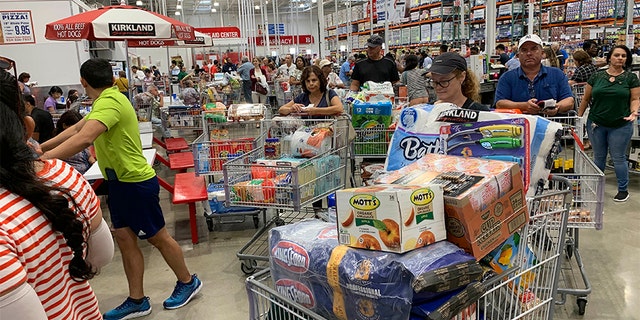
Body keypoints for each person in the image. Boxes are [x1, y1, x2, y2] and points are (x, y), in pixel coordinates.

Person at [40, 58, 202, 319]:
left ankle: (188, 281)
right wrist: (43, 147)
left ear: (83, 81)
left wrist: (43, 161)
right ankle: (137, 300)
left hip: (135, 182)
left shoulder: (111, 102)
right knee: (125, 239)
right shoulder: (106, 100)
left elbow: (84, 137)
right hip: (118, 184)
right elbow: (77, 128)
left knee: (157, 237)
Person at [0, 67, 113, 320]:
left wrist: (41, 151)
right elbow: (102, 256)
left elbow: (81, 136)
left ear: (85, 81)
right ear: (27, 127)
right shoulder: (65, 176)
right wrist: (43, 158)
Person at [577, 45, 640, 202]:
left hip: (621, 124)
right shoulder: (597, 76)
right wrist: (578, 117)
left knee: (618, 157)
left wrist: (634, 112)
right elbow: (585, 98)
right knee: (598, 157)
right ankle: (597, 187)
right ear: (609, 57)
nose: (620, 58)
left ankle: (623, 189)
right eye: (617, 55)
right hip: (596, 123)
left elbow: (634, 99)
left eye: (623, 56)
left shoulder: (631, 78)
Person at [494, 34, 574, 115]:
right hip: (518, 126)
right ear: (518, 55)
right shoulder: (507, 77)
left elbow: (569, 101)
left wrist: (556, 107)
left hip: (553, 125)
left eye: (534, 49)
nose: (529, 53)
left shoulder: (557, 74)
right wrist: (524, 106)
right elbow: (500, 103)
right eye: (524, 50)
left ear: (542, 53)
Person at [424, 52, 490, 111]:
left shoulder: (480, 113)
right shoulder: (427, 111)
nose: (438, 87)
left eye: (444, 81)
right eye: (434, 82)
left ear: (462, 77)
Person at [278, 65, 344, 117]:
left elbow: (339, 108)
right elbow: (281, 110)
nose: (311, 84)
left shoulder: (329, 94)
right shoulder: (302, 97)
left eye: (314, 80)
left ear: (320, 81)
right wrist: (291, 109)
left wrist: (316, 111)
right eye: (308, 81)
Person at [54, 109, 96, 174]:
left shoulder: (80, 139)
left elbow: (88, 156)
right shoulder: (59, 144)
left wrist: (93, 163)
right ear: (64, 125)